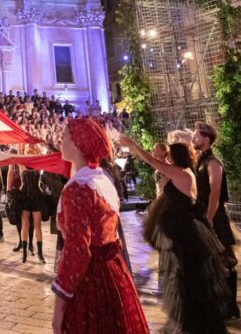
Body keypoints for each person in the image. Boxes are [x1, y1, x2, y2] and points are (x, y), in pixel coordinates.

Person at [123, 134, 230, 333]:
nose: (168, 159)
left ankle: (194, 321)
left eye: (171, 156)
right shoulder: (184, 171)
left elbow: (151, 161)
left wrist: (133, 145)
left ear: (177, 157)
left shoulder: (180, 172)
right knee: (184, 275)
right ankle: (191, 320)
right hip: (182, 228)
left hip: (185, 231)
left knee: (188, 276)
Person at [51, 119, 149, 334]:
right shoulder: (101, 180)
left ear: (77, 143)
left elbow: (77, 250)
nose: (61, 141)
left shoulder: (78, 189)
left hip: (90, 282)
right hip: (113, 275)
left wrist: (59, 305)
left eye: (65, 137)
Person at [191, 121, 240, 319]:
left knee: (225, 259)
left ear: (206, 139)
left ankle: (230, 307)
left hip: (214, 216)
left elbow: (215, 192)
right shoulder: (200, 161)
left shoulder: (213, 163)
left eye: (196, 136)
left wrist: (209, 217)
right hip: (202, 213)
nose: (193, 138)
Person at [17, 145, 46, 264]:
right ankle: (24, 253)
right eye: (27, 149)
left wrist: (34, 144)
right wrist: (21, 143)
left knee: (37, 225)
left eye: (31, 149)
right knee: (25, 224)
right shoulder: (22, 165)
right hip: (24, 197)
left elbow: (42, 156)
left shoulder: (38, 164)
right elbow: (19, 153)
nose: (29, 149)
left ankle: (40, 253)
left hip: (36, 197)